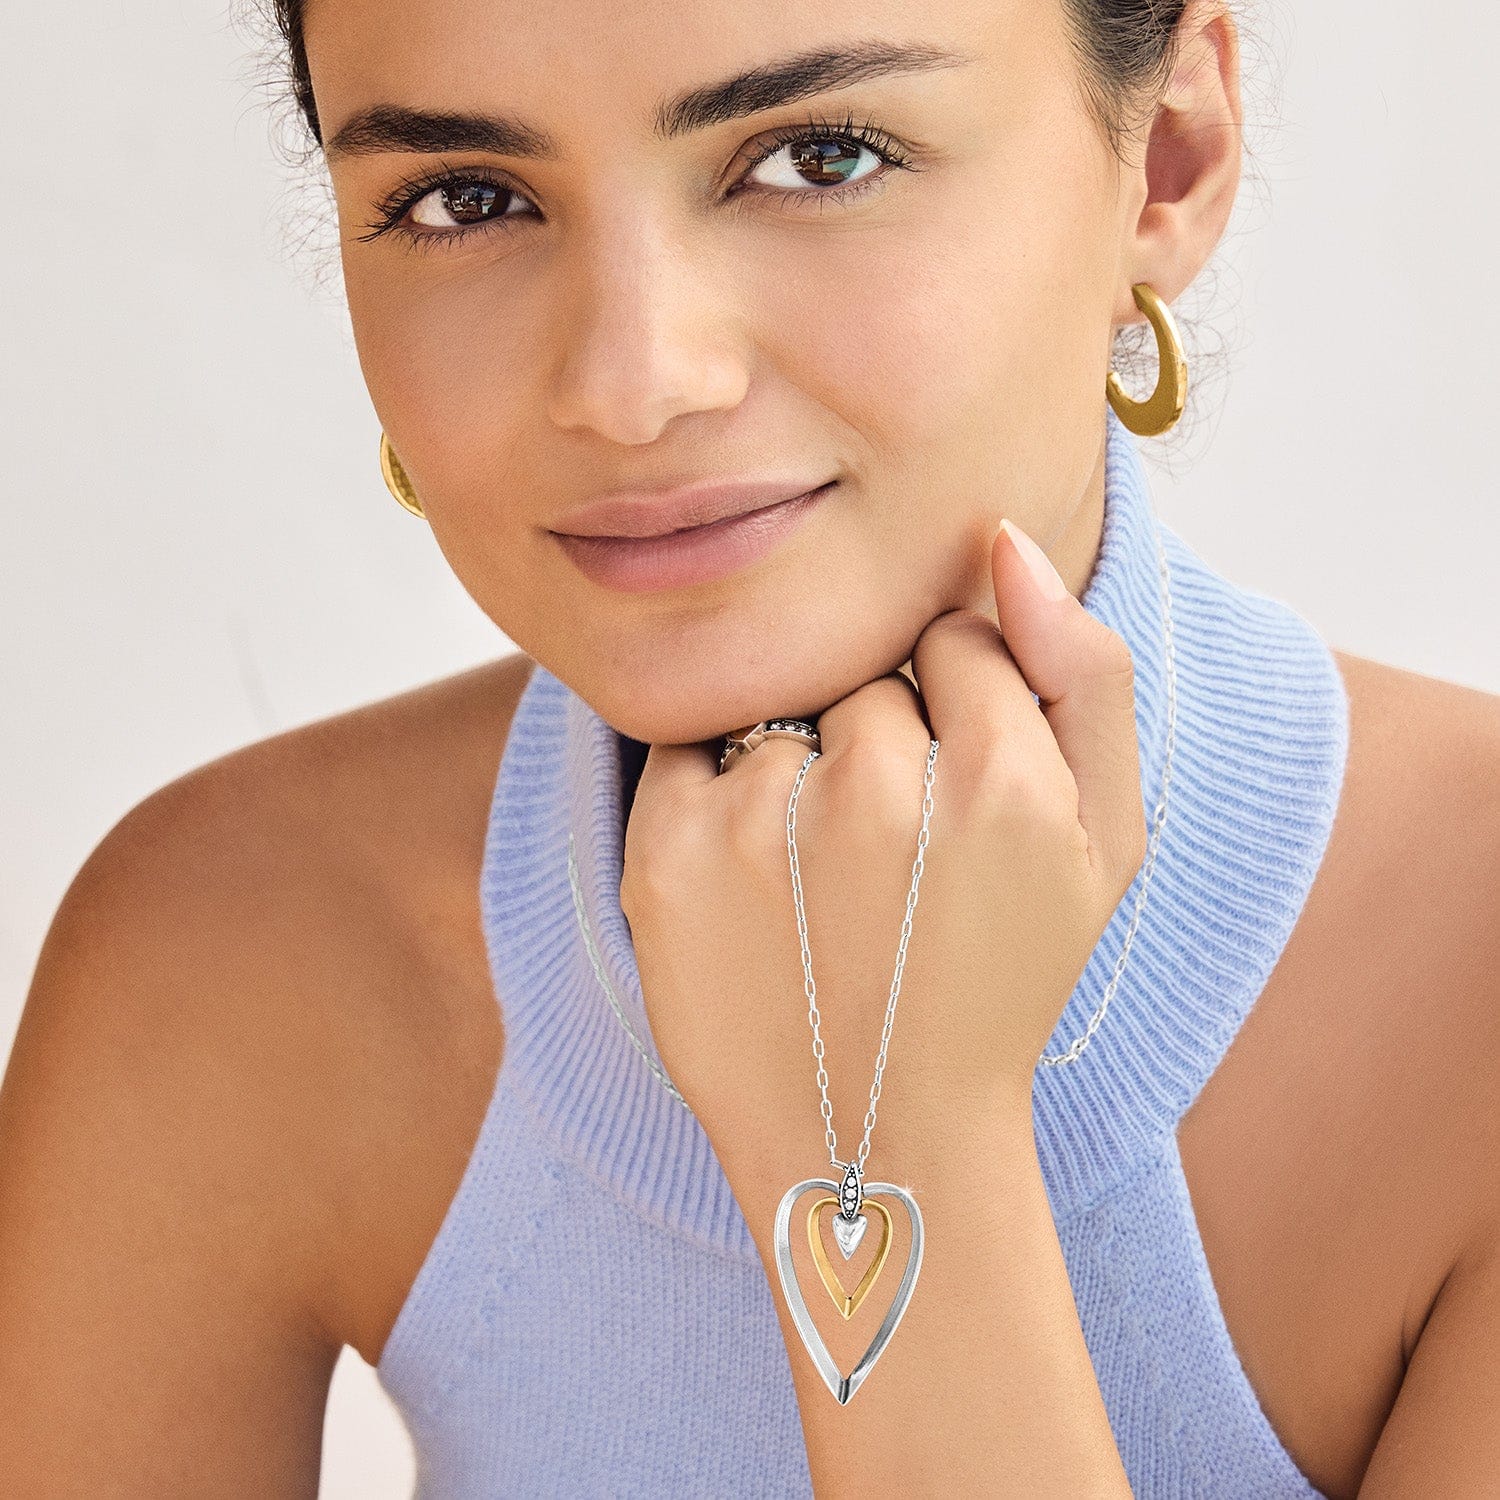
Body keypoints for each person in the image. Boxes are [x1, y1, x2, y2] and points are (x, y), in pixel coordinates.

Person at [2, 0, 1496, 1494]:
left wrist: (895, 1141)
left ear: (1166, 160)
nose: (634, 383)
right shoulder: (232, 956)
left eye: (823, 156)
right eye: (467, 199)